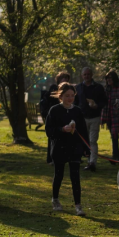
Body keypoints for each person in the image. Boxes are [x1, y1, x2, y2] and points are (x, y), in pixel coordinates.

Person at [45, 83, 90, 216]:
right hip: (59, 148)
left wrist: (86, 148)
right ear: (61, 96)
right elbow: (49, 131)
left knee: (75, 177)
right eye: (67, 96)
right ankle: (55, 199)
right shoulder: (54, 110)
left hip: (74, 148)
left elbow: (83, 130)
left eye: (72, 96)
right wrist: (62, 129)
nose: (70, 98)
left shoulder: (77, 111)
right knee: (58, 175)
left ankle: (78, 206)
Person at [75, 67, 107, 171]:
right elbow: (75, 102)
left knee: (93, 140)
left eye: (88, 74)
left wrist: (97, 106)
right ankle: (84, 160)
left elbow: (104, 101)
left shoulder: (98, 88)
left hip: (94, 117)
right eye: (85, 75)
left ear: (92, 75)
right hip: (82, 118)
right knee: (84, 140)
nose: (87, 76)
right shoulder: (78, 88)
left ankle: (92, 163)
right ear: (82, 76)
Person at [40, 71, 71, 164]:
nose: (65, 80)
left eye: (66, 78)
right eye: (63, 78)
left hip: (64, 117)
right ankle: (51, 158)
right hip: (54, 117)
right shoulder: (54, 88)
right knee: (53, 138)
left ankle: (65, 157)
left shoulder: (69, 90)